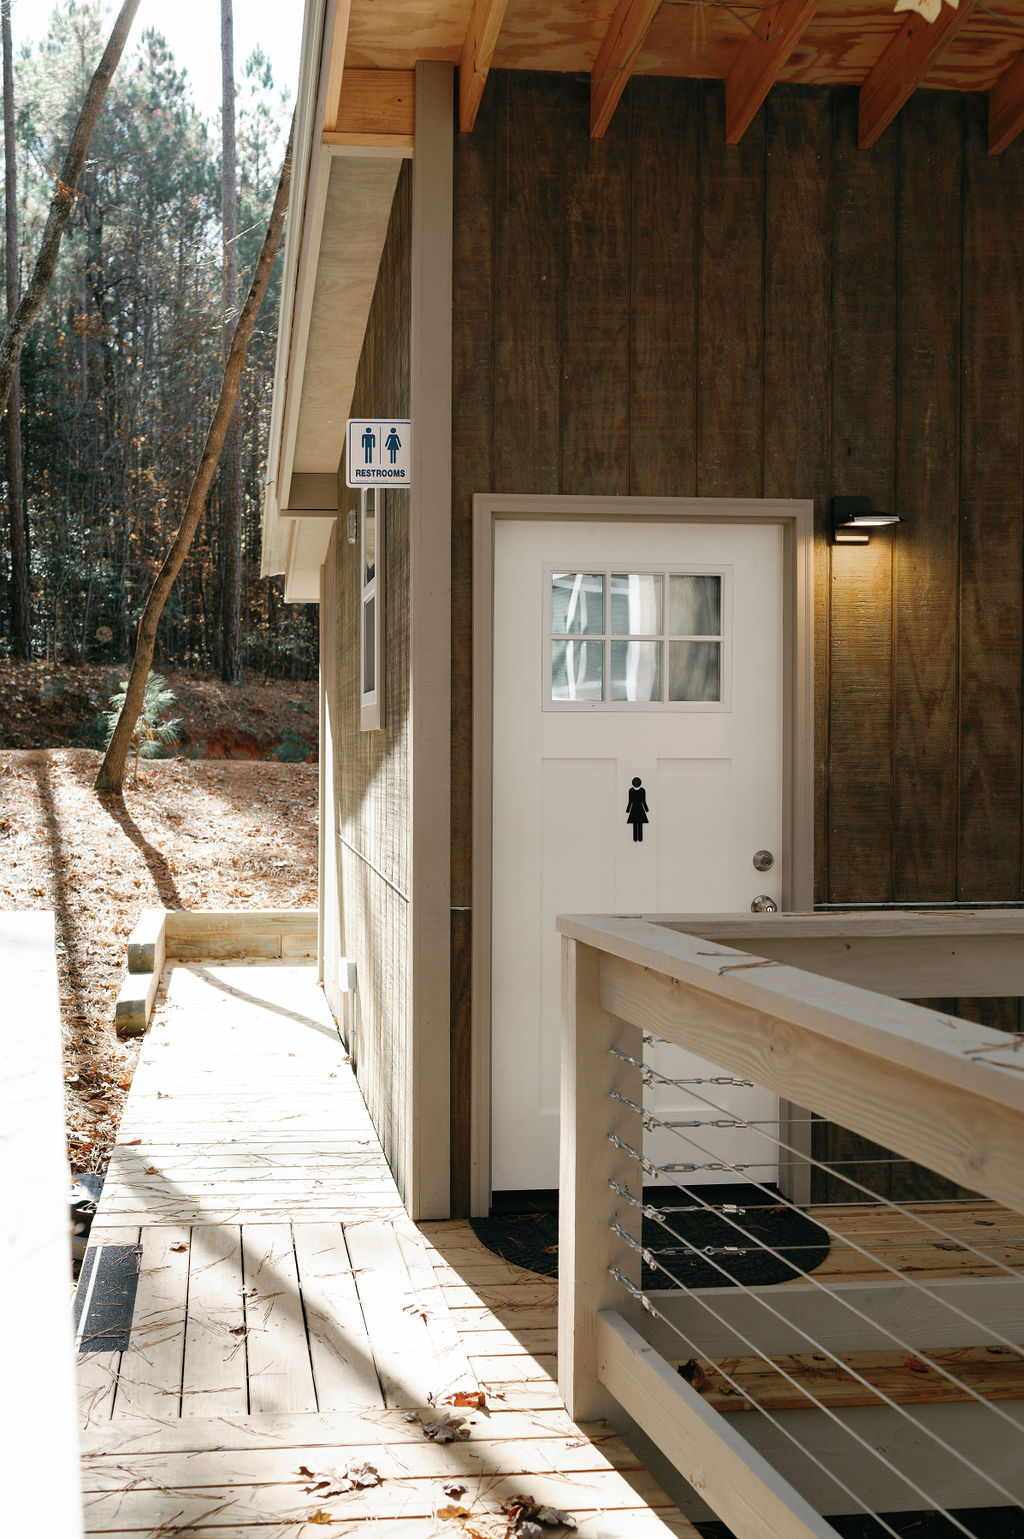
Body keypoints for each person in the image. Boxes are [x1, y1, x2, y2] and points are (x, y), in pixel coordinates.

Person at [626, 777, 649, 843]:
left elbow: (630, 802)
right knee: (638, 824)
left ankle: (636, 838)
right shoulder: (641, 790)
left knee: (636, 824)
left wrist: (628, 810)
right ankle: (638, 838)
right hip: (640, 809)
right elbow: (643, 801)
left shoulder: (632, 791)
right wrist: (646, 809)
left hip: (635, 809)